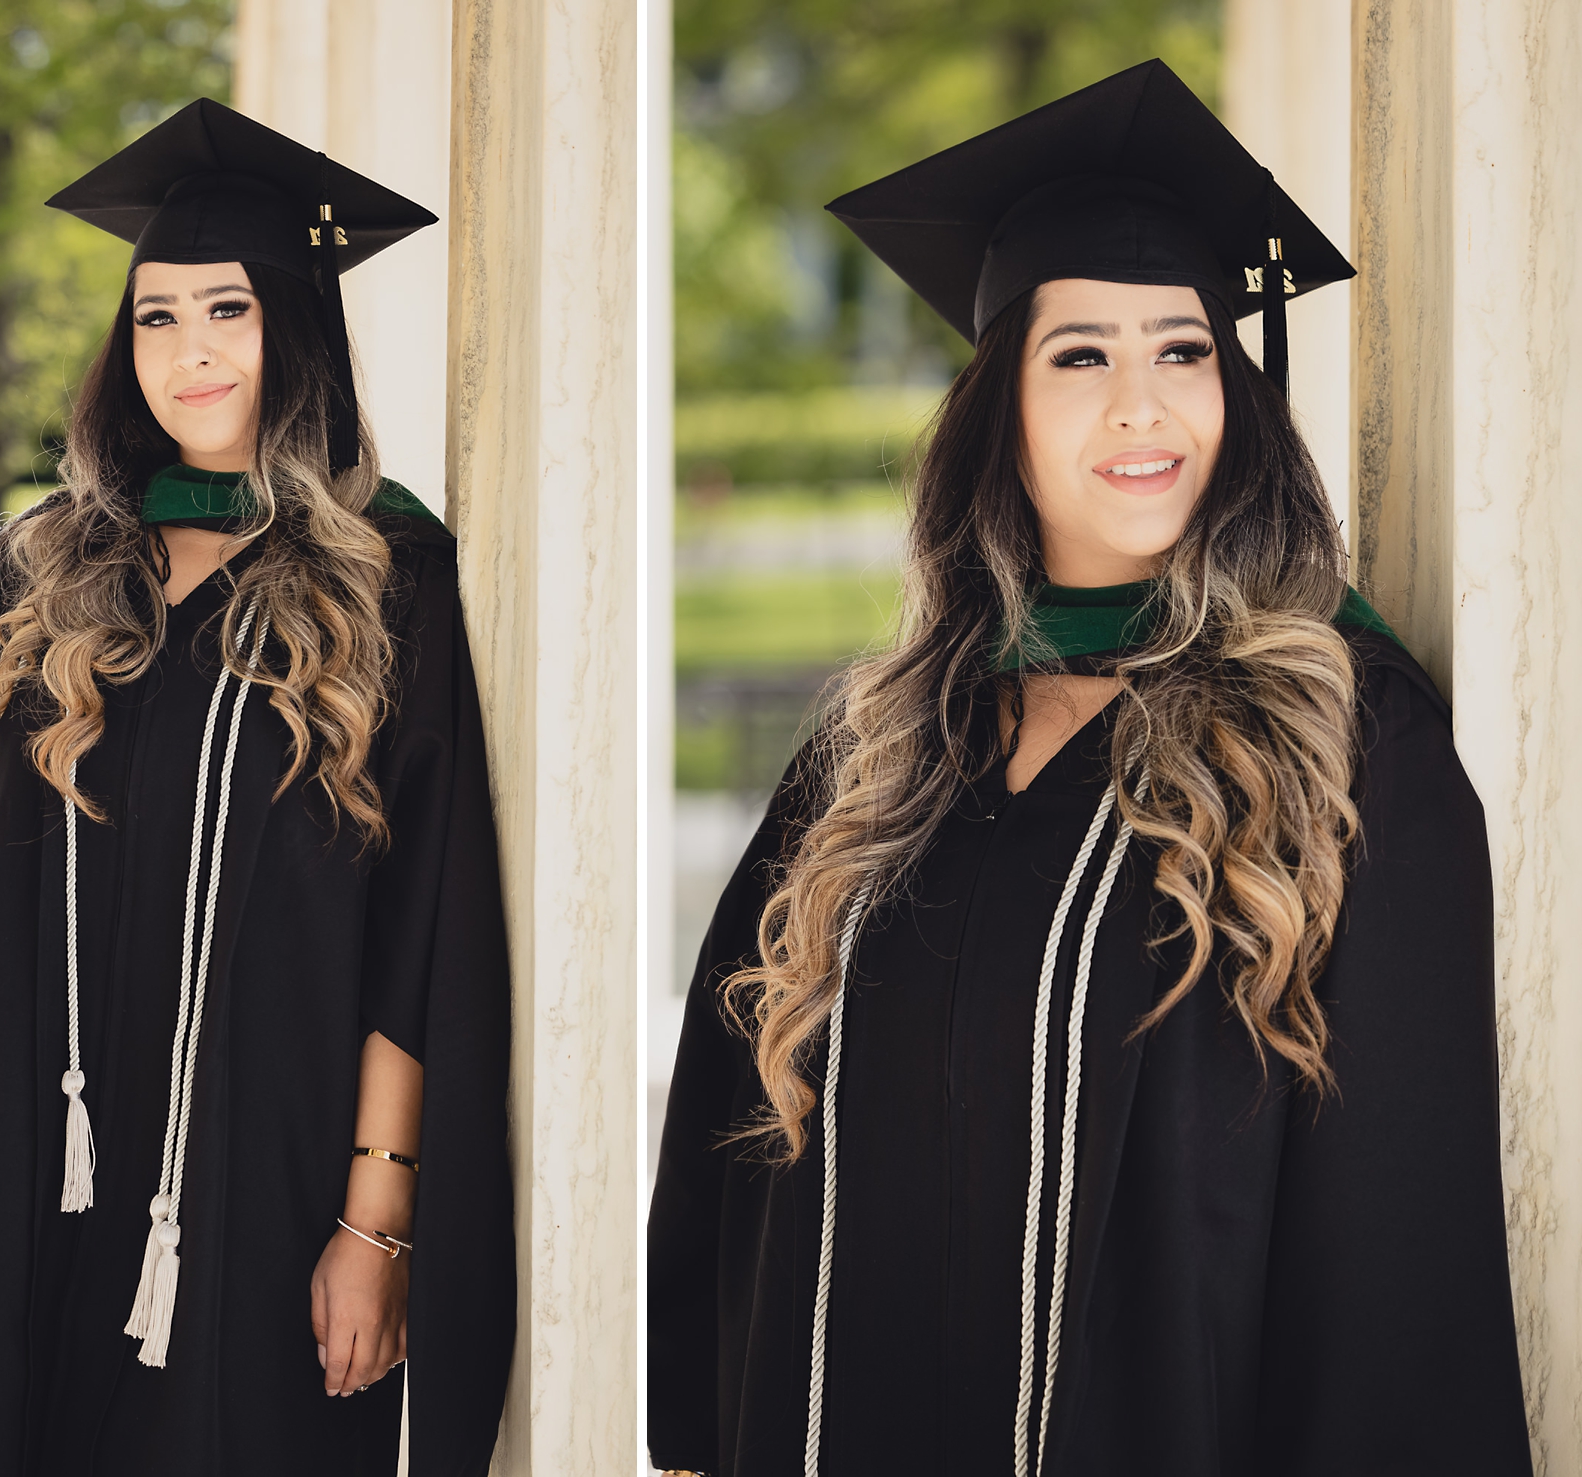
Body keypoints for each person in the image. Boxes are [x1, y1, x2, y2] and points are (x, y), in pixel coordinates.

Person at [649, 61, 1531, 1477]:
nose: (1143, 408)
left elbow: (1399, 1239)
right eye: (1081, 357)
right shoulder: (878, 750)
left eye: (1183, 351)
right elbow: (728, 1108)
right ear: (999, 406)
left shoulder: (1344, 738)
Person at [0, 99, 514, 1477]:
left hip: (275, 1185)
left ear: (291, 327)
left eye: (225, 310)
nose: (188, 352)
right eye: (156, 316)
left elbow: (423, 934)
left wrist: (376, 1221)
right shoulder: (34, 572)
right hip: (24, 1174)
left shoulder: (387, 583)